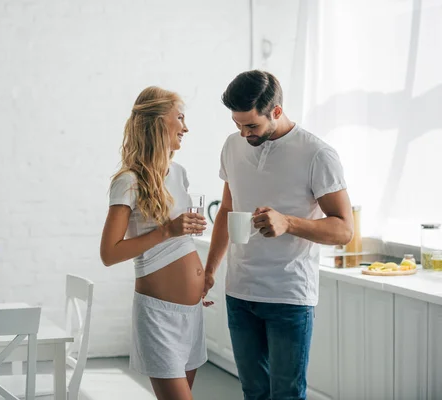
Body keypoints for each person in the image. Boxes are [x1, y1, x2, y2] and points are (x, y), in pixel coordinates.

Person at [203, 70, 353, 400]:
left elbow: (343, 228)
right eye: (237, 124)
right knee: (253, 392)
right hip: (239, 293)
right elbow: (227, 210)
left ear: (277, 111)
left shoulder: (317, 154)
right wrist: (210, 271)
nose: (243, 133)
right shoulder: (232, 146)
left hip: (289, 296)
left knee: (286, 394)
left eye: (251, 126)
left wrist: (289, 222)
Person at [100, 86, 210, 400]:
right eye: (179, 117)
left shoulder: (179, 173)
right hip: (159, 316)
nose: (186, 127)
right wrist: (168, 231)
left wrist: (197, 272)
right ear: (157, 122)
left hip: (193, 312)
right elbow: (109, 253)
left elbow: (179, 239)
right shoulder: (128, 181)